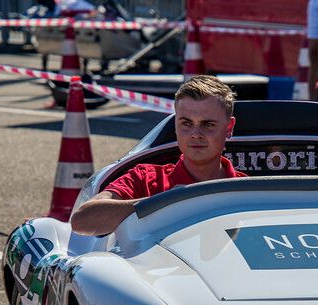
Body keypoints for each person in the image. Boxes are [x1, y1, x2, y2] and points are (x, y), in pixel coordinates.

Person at [70, 75, 247, 236]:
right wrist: (165, 203)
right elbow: (81, 221)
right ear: (176, 124)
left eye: (207, 124)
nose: (195, 133)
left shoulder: (248, 190)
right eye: (186, 123)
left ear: (229, 128)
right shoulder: (144, 178)